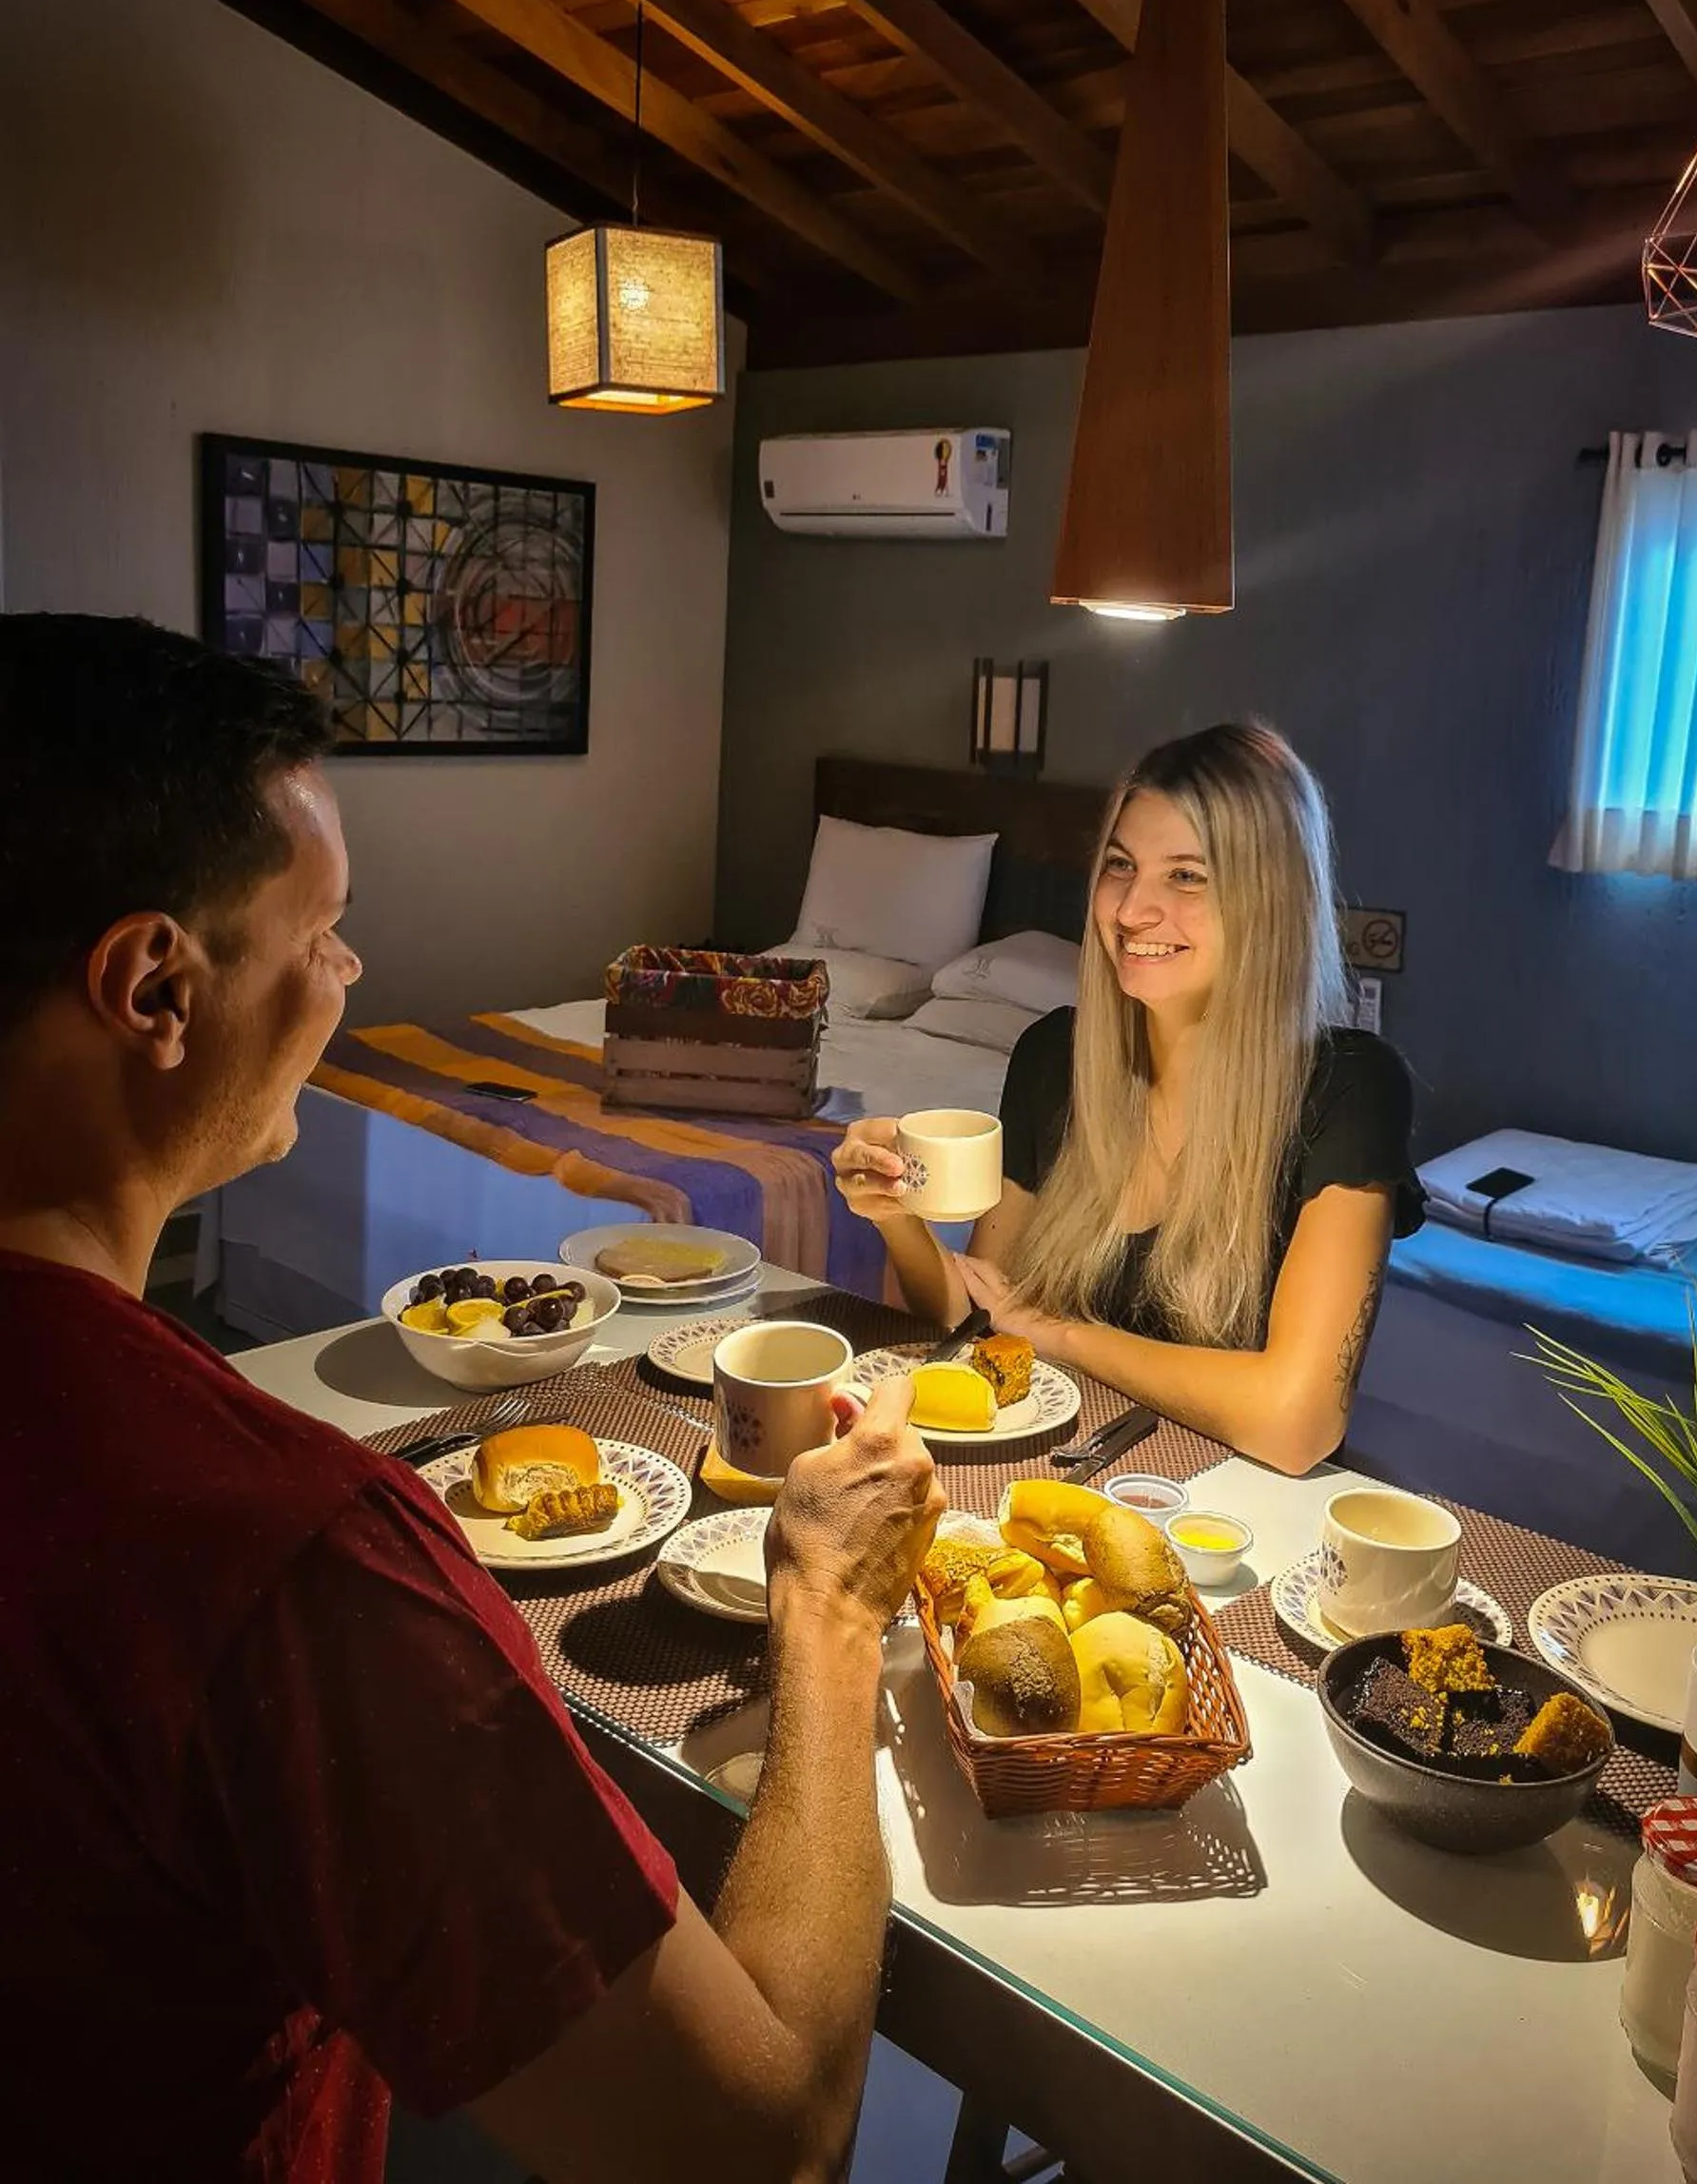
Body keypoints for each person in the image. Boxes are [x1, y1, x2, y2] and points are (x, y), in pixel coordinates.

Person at [0, 613, 944, 2184]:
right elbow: (755, 2142)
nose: (350, 979)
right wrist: (835, 1611)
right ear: (154, 987)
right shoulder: (280, 1555)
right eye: (323, 938)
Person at [833, 723, 1423, 1474]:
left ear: (1270, 901)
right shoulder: (1057, 1057)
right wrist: (897, 1217)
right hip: (1056, 1481)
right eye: (1120, 865)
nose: (1133, 908)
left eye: (1186, 876)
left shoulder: (1348, 1090)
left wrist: (1062, 1335)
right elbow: (987, 1326)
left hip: (1222, 1518)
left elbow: (1297, 1420)